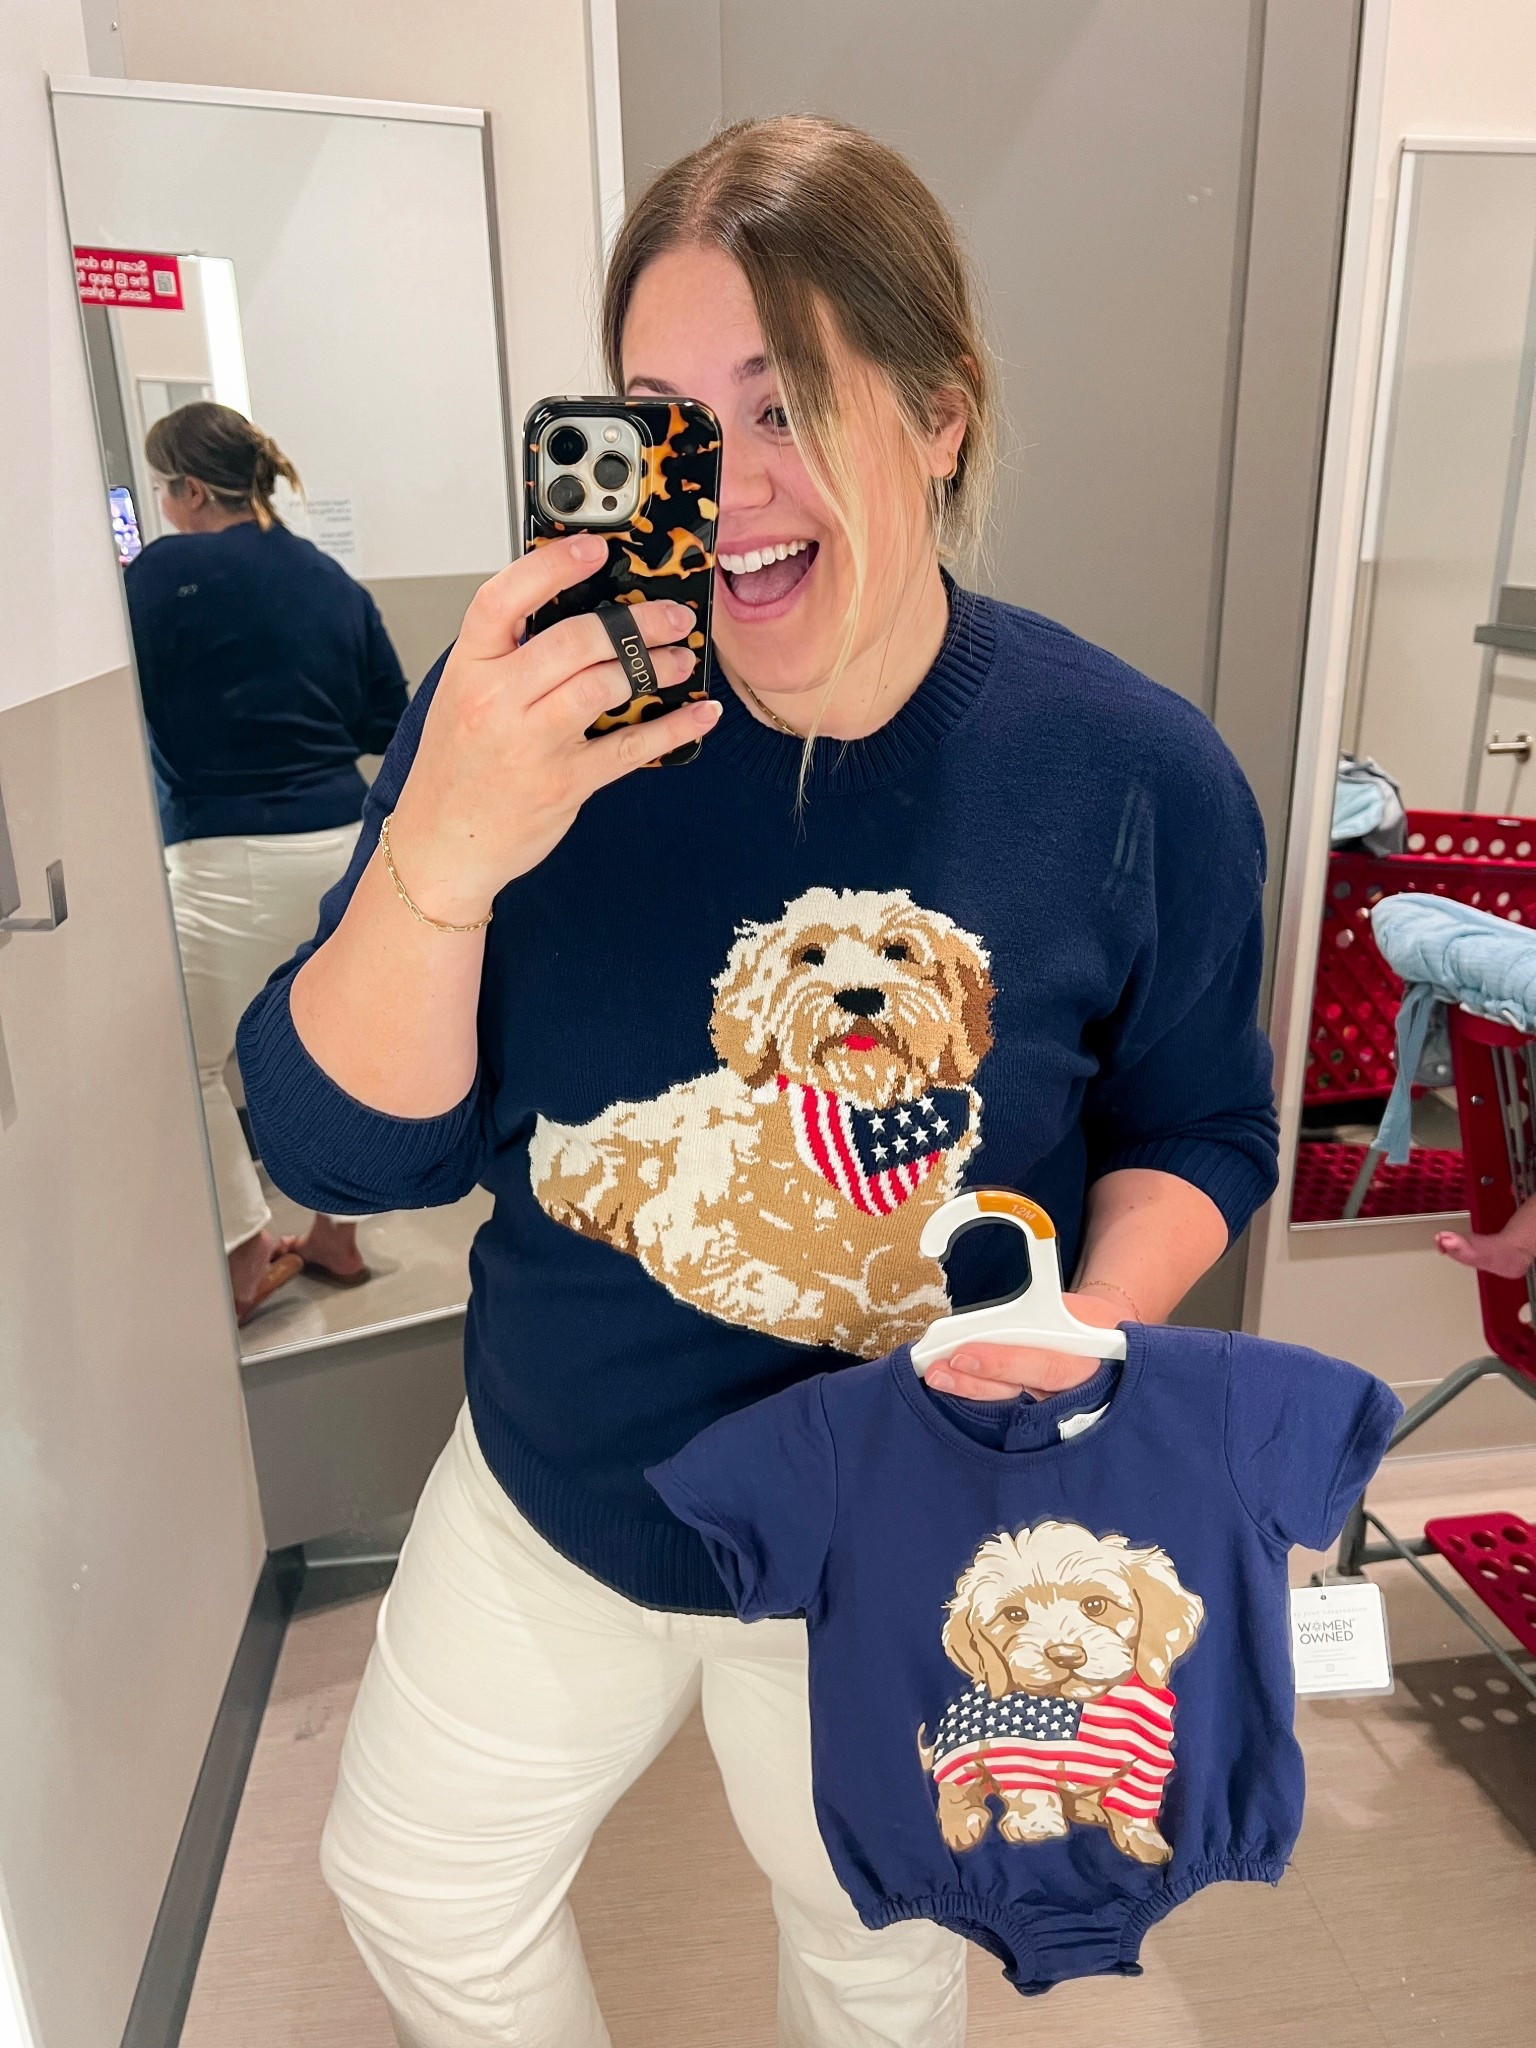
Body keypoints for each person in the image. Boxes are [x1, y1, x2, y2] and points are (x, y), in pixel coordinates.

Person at [237, 117, 1279, 2047]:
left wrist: (1095, 1317)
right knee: (415, 1884)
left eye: (783, 400)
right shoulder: (523, 735)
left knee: (871, 1950)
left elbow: (1202, 1123)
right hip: (555, 1490)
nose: (722, 491)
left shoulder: (1133, 774)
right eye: (663, 418)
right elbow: (335, 1153)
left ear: (943, 412)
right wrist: (442, 849)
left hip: (890, 1526)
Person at [126, 402, 408, 1323]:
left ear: (190, 489)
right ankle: (336, 1237)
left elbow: (132, 714)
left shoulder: (158, 576)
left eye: (164, 487)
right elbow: (384, 717)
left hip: (222, 854)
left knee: (193, 1065)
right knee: (340, 1049)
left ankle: (248, 1255)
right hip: (340, 842)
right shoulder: (327, 577)